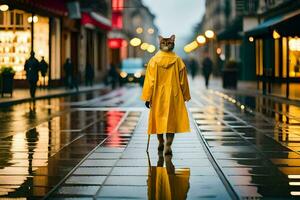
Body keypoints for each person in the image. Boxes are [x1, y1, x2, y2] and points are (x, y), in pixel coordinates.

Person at [141, 35, 191, 155]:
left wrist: (148, 97)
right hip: (174, 95)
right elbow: (183, 80)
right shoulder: (178, 60)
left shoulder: (153, 61)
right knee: (170, 121)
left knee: (159, 120)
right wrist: (185, 95)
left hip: (158, 95)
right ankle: (168, 145)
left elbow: (150, 81)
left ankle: (160, 141)